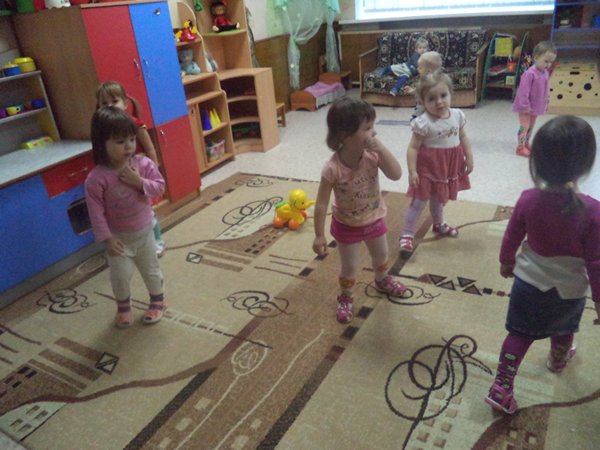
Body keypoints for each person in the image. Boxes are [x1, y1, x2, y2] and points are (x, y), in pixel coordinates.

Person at [485, 116, 600, 414]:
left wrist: (506, 261)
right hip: (569, 292)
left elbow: (512, 235)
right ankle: (557, 360)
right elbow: (596, 262)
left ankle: (501, 385)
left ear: (536, 161)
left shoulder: (528, 200)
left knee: (519, 334)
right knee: (564, 328)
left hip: (528, 284)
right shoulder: (593, 212)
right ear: (586, 164)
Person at [312, 97, 408, 324]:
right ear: (344, 135)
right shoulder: (332, 168)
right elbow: (321, 203)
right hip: (347, 226)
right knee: (350, 267)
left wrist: (382, 149)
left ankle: (382, 279)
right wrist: (319, 235)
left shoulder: (373, 155)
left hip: (375, 219)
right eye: (367, 128)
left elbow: (396, 175)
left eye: (373, 126)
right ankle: (345, 296)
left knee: (381, 256)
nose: (374, 133)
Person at [85, 107, 168, 328]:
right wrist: (107, 239)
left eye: (132, 139)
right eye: (120, 142)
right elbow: (95, 212)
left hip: (145, 232)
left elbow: (160, 187)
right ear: (102, 143)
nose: (129, 146)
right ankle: (123, 307)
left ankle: (158, 301)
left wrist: (139, 182)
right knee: (120, 276)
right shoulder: (96, 178)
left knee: (151, 270)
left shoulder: (142, 164)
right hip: (118, 239)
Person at [399, 70, 474, 256]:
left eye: (443, 95)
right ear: (422, 102)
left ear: (450, 94)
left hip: (447, 167)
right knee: (419, 201)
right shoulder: (424, 122)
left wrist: (469, 156)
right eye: (431, 99)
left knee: (439, 198)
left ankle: (438, 223)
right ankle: (406, 234)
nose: (439, 102)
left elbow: (463, 137)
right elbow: (413, 148)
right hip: (427, 168)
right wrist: (412, 171)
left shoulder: (457, 115)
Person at [96, 81, 166, 257]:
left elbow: (150, 148)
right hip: (118, 175)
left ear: (125, 103)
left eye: (114, 101)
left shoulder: (134, 124)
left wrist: (153, 170)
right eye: (104, 103)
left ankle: (157, 240)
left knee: (148, 211)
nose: (110, 106)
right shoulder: (101, 129)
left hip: (139, 172)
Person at [512, 41, 557, 157]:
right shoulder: (529, 74)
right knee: (524, 126)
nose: (548, 65)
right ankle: (520, 148)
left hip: (536, 106)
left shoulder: (545, 73)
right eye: (546, 61)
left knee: (531, 126)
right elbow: (523, 92)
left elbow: (545, 89)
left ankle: (526, 143)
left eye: (551, 62)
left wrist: (546, 102)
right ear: (536, 57)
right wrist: (525, 106)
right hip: (525, 107)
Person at [405, 51, 444, 120]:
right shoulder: (430, 81)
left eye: (420, 68)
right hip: (428, 110)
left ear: (429, 71)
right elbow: (421, 91)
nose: (417, 69)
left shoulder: (429, 82)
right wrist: (413, 91)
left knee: (416, 121)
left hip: (424, 110)